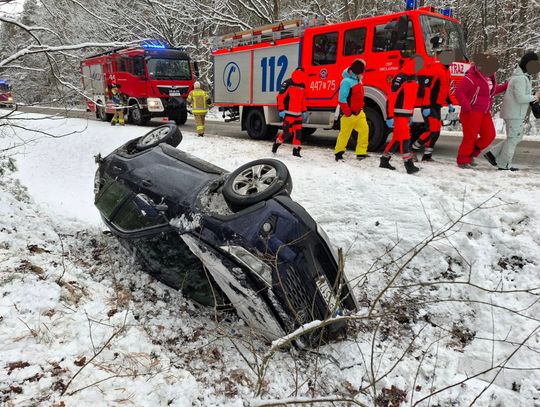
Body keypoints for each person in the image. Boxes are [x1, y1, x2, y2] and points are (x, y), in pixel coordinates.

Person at [484, 51, 540, 171]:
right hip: (514, 113)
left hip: (515, 112)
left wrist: (532, 95)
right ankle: (504, 165)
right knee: (513, 139)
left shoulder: (523, 77)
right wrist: (535, 97)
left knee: (515, 138)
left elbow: (522, 95)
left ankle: (492, 154)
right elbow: (520, 98)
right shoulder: (520, 79)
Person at [454, 53, 508, 168]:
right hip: (471, 111)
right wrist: (467, 106)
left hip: (484, 111)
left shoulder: (489, 77)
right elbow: (459, 92)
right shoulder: (472, 77)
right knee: (470, 136)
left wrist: (506, 86)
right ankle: (463, 160)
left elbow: (491, 91)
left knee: (489, 135)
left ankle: (471, 154)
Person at [380, 55, 423, 174]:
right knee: (405, 138)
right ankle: (408, 165)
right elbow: (391, 97)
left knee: (397, 139)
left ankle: (384, 159)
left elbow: (412, 98)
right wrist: (389, 116)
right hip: (398, 115)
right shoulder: (401, 77)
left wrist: (411, 114)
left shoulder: (414, 78)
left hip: (406, 114)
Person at [410, 49, 455, 162]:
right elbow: (427, 88)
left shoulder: (447, 71)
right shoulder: (435, 69)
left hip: (437, 106)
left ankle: (427, 156)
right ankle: (411, 150)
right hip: (429, 105)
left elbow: (445, 90)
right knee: (431, 131)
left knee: (436, 132)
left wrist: (449, 103)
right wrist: (425, 106)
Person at [334, 59, 369, 161]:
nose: (363, 73)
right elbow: (342, 99)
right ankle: (339, 153)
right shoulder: (346, 82)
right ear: (358, 71)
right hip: (348, 115)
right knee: (345, 134)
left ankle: (361, 153)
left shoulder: (357, 80)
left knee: (364, 131)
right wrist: (348, 113)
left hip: (359, 113)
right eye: (363, 71)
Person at [272, 67, 307, 157]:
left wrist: (304, 111)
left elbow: (302, 100)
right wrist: (281, 109)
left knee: (298, 134)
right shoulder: (288, 83)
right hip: (288, 114)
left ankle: (296, 152)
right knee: (286, 133)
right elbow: (280, 97)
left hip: (298, 114)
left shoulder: (302, 85)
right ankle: (276, 144)